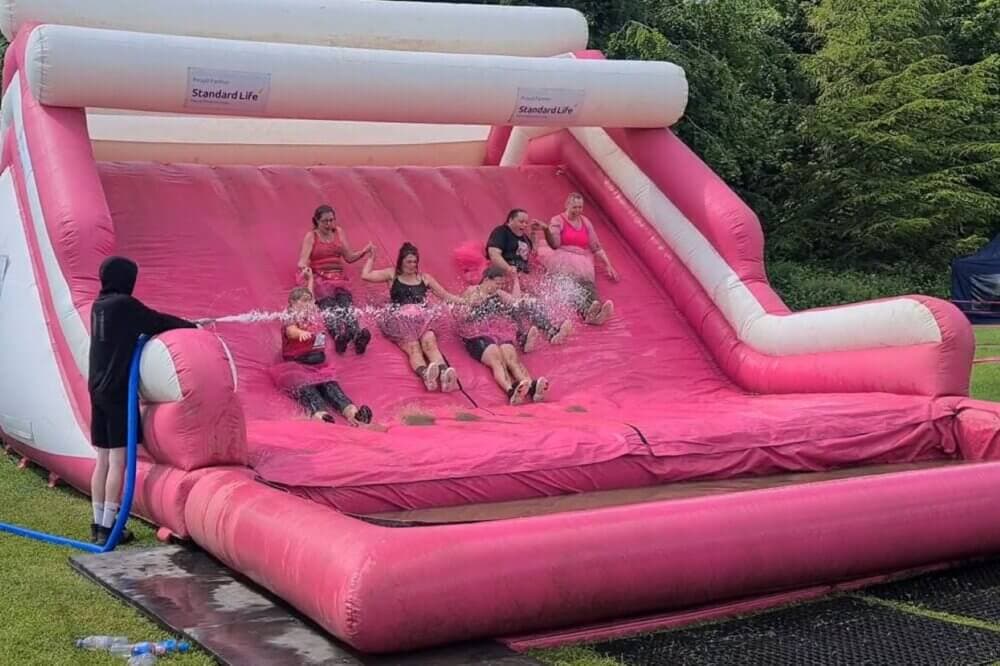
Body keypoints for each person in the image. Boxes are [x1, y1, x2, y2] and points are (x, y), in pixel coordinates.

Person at [88, 256, 198, 545]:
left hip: (97, 388)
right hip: (116, 391)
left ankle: (98, 523)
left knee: (102, 458)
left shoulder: (99, 305)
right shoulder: (125, 306)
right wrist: (192, 327)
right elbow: (157, 321)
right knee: (118, 459)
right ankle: (111, 527)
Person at [361, 242, 461, 392]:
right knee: (414, 348)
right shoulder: (392, 274)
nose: (412, 265)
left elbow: (445, 295)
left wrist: (467, 301)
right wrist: (371, 258)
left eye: (415, 262)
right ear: (401, 261)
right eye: (409, 261)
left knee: (430, 343)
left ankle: (444, 375)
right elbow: (365, 275)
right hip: (401, 321)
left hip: (423, 320)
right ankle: (426, 375)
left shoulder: (424, 278)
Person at [269, 286, 374, 427]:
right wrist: (300, 333)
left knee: (333, 389)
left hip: (319, 365)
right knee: (309, 391)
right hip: (298, 366)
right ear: (293, 303)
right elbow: (290, 331)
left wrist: (310, 281)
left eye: (310, 301)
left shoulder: (313, 316)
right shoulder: (291, 317)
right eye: (304, 301)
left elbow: (311, 296)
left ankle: (353, 413)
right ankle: (320, 415)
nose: (309, 304)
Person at [457, 266, 550, 405]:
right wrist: (471, 305)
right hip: (475, 334)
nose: (499, 287)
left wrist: (515, 280)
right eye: (497, 283)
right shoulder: (472, 291)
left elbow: (515, 302)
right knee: (497, 358)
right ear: (487, 280)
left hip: (496, 332)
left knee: (511, 357)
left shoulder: (498, 293)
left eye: (501, 284)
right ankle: (510, 390)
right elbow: (460, 316)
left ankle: (531, 387)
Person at [484, 208, 572, 348]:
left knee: (531, 303)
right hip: (502, 274)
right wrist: (508, 269)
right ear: (510, 220)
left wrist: (541, 230)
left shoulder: (524, 238)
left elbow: (533, 251)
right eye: (521, 221)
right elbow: (494, 254)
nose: (524, 225)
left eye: (526, 222)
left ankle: (550, 331)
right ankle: (523, 336)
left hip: (519, 278)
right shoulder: (501, 232)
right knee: (515, 304)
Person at [297, 204, 374, 355]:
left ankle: (357, 335)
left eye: (331, 220)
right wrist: (305, 269)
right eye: (325, 221)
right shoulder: (311, 236)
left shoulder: (338, 232)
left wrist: (363, 252)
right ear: (317, 221)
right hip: (321, 278)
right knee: (329, 306)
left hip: (339, 278)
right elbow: (302, 261)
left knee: (346, 305)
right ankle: (339, 336)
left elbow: (349, 257)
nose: (329, 224)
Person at [542, 192, 616, 325]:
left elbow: (596, 246)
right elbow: (555, 244)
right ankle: (586, 312)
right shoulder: (558, 220)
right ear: (567, 205)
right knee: (572, 286)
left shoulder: (585, 222)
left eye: (580, 207)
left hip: (582, 260)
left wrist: (608, 265)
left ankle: (597, 310)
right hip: (563, 256)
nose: (577, 210)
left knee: (588, 284)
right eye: (574, 207)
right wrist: (548, 231)